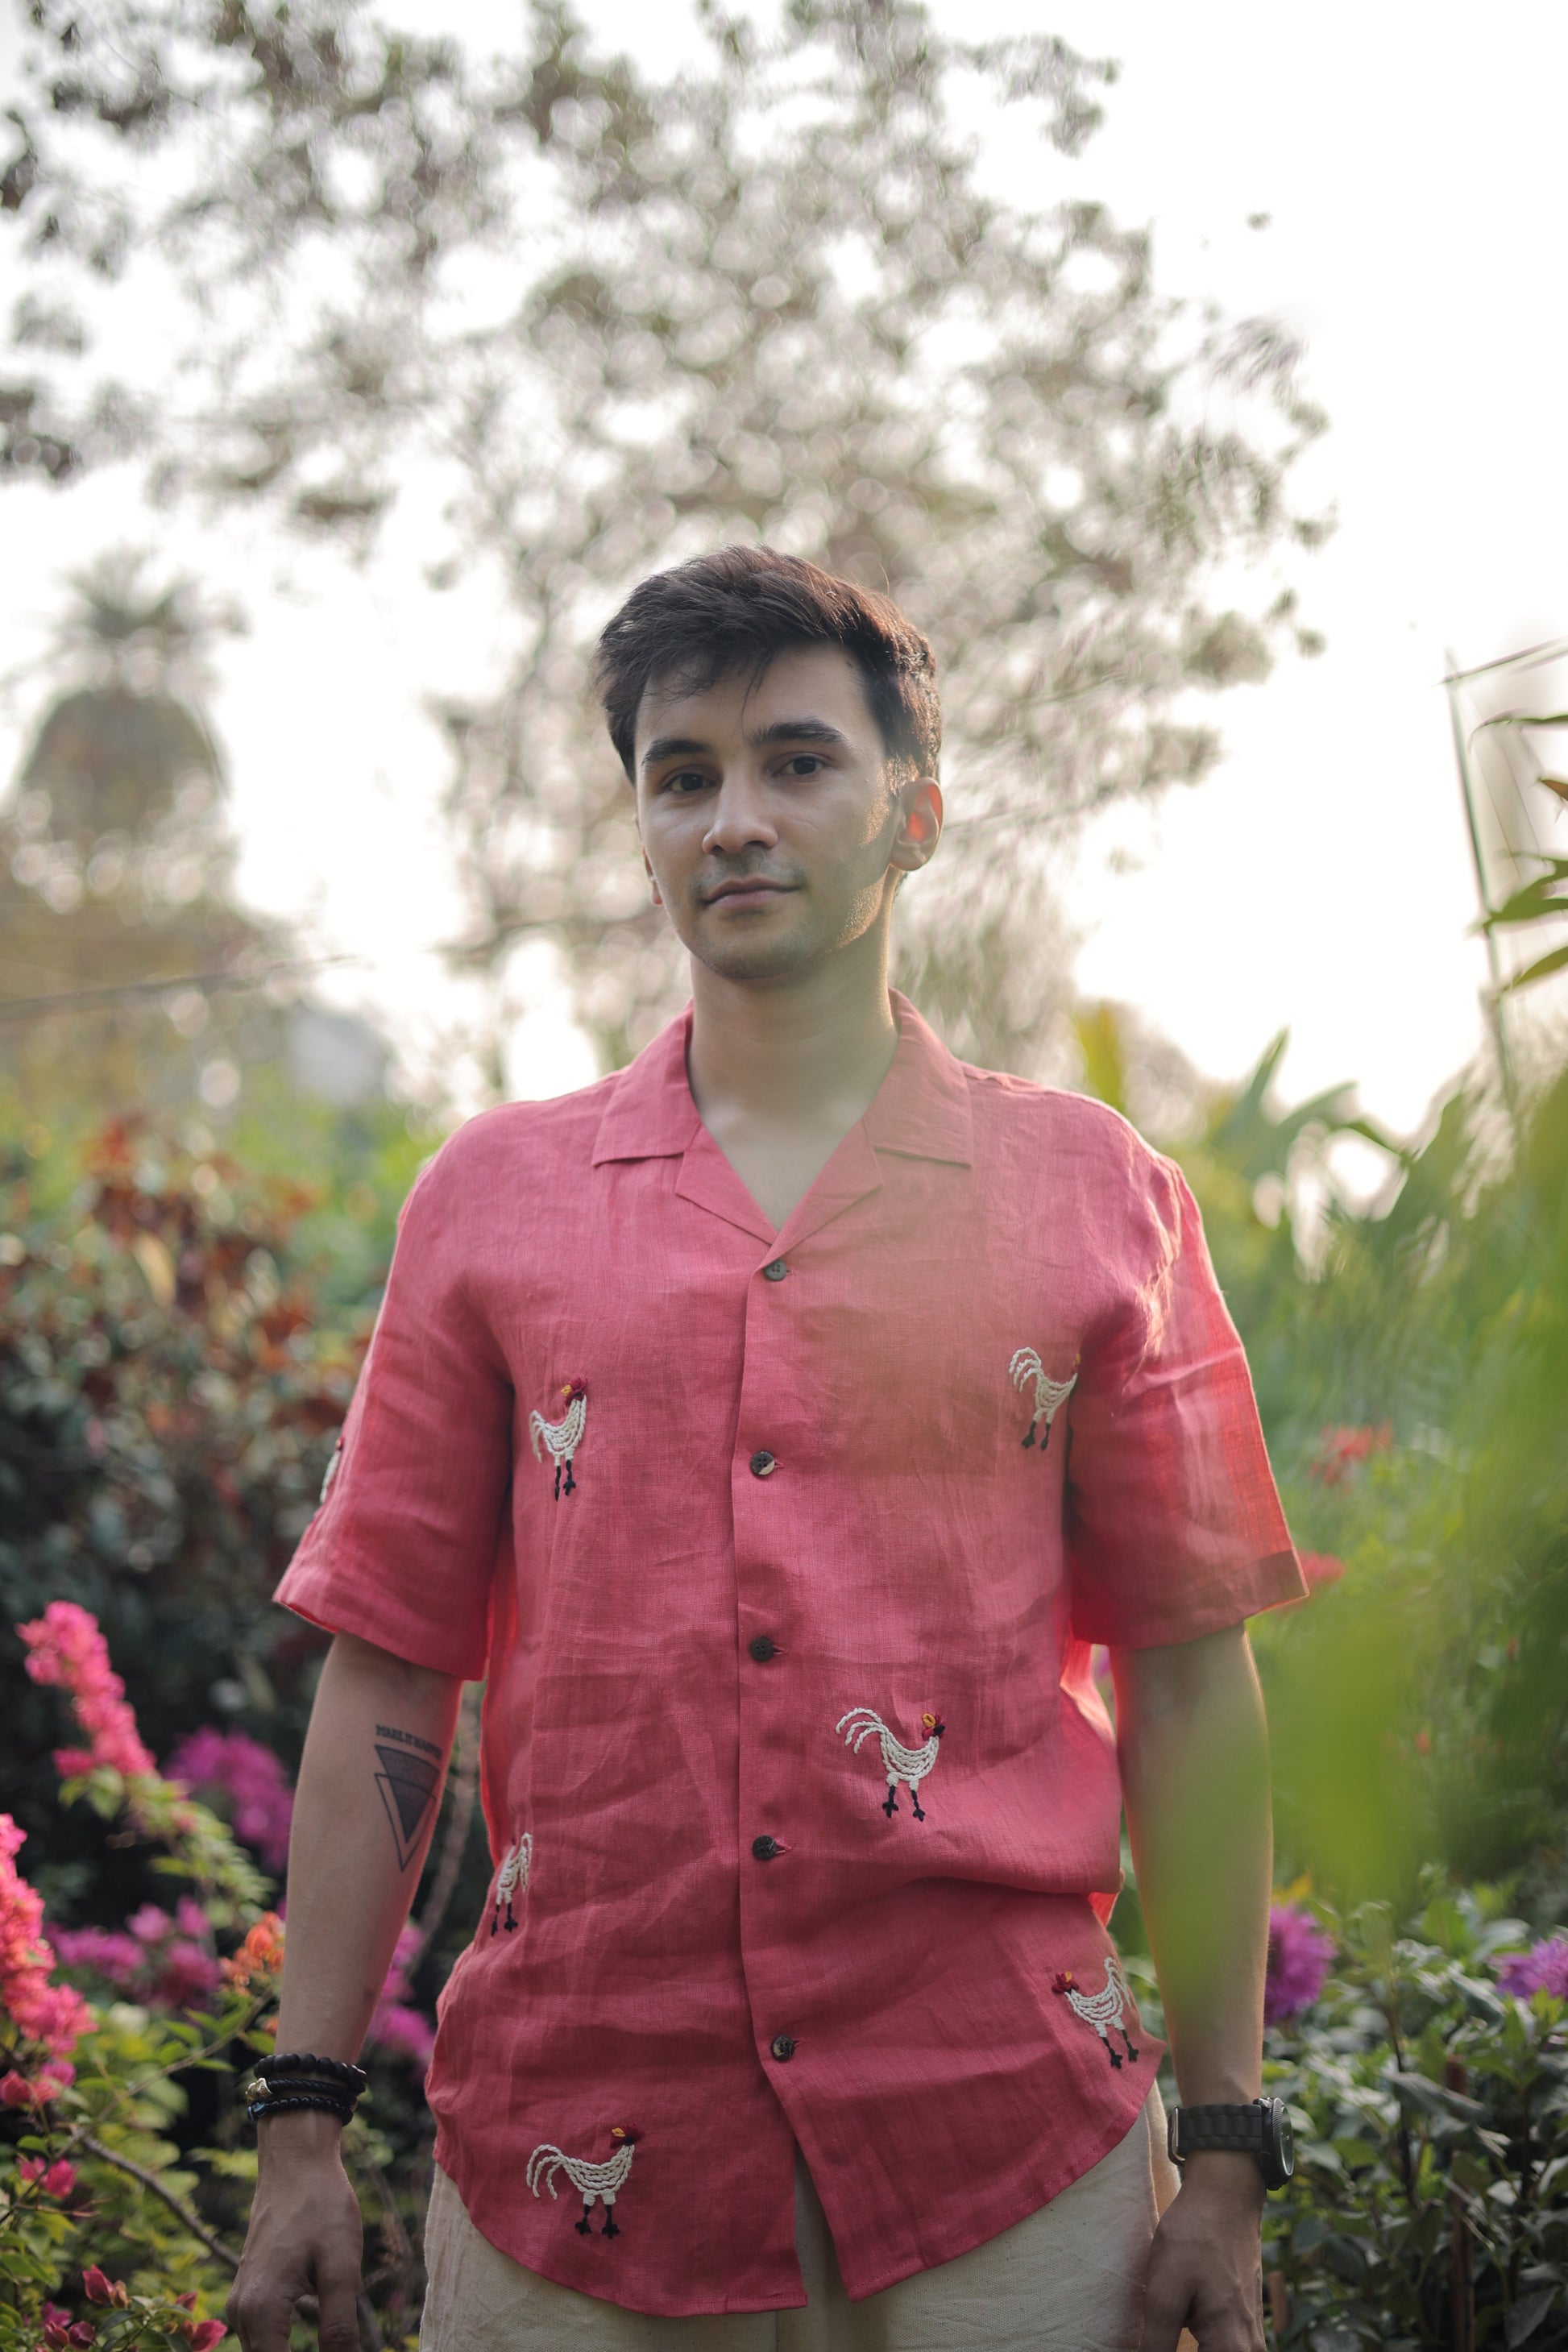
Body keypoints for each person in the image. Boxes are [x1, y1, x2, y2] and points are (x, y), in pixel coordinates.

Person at [228, 545, 1305, 2352]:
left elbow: (1192, 1676)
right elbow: (390, 1670)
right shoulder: (489, 1199)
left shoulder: (1099, 1196)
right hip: (578, 2151)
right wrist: (301, 2127)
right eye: (682, 774)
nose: (734, 817)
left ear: (916, 813)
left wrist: (1224, 2151)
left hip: (1007, 2160)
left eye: (798, 761)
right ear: (643, 829)